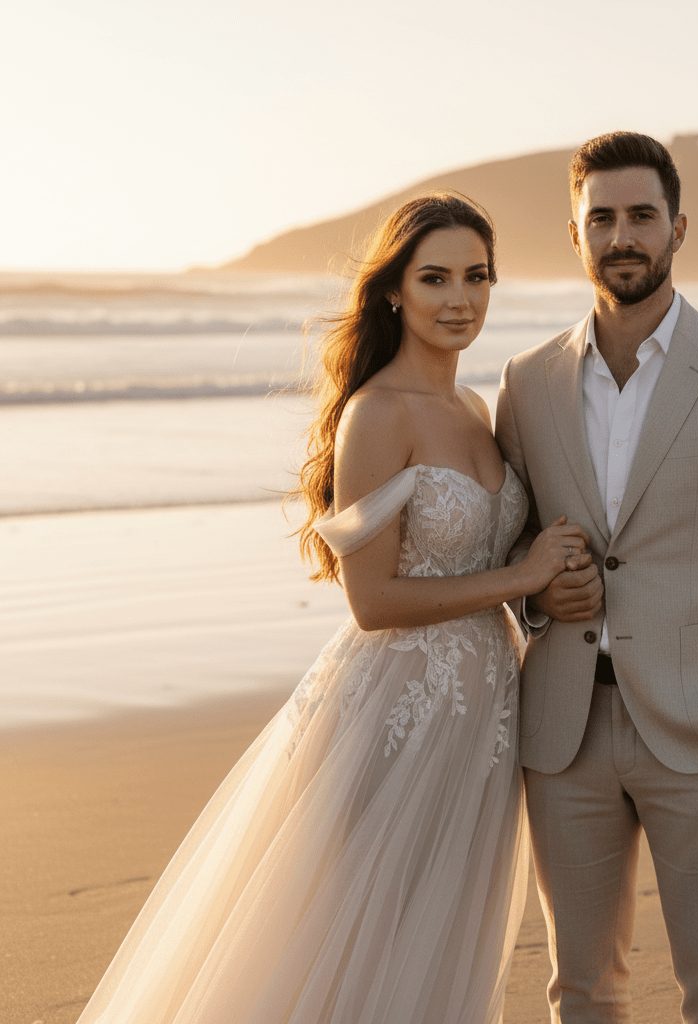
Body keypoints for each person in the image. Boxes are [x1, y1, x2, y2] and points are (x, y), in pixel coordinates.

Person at [74, 192, 591, 1024]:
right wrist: (521, 579)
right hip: (395, 709)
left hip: (481, 715)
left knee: (441, 930)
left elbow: (503, 552)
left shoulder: (477, 408)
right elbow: (373, 600)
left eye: (477, 276)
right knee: (355, 937)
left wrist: (550, 576)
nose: (460, 299)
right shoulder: (377, 414)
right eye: (435, 278)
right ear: (395, 291)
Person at [495, 132, 698, 1024]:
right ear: (574, 235)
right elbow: (510, 550)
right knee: (583, 991)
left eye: (642, 215)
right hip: (564, 735)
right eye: (600, 217)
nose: (622, 235)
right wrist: (534, 596)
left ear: (679, 228)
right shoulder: (525, 384)